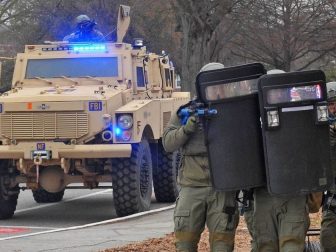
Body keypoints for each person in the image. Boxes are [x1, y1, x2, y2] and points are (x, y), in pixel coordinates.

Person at [162, 62, 239, 252]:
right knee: (185, 243)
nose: (216, 89)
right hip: (192, 186)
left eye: (220, 84)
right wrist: (187, 128)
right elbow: (168, 143)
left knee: (222, 244)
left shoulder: (235, 112)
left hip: (222, 187)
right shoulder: (185, 112)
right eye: (211, 85)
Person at [253, 69, 310, 251]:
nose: (276, 94)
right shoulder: (252, 117)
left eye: (280, 90)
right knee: (265, 245)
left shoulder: (302, 113)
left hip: (293, 191)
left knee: (292, 246)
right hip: (264, 193)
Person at [320, 81, 336, 251]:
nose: (333, 108)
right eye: (330, 104)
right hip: (332, 194)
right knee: (327, 238)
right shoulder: (321, 130)